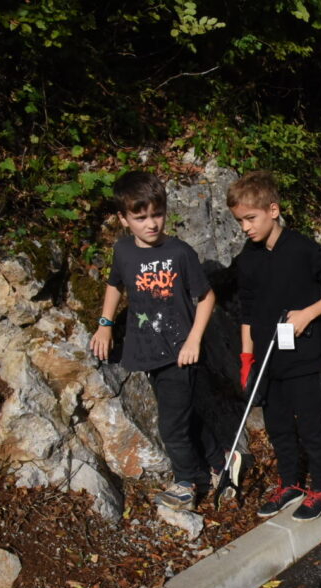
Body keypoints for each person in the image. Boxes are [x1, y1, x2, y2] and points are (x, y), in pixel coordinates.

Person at [90, 171, 223, 511]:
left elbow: (206, 298)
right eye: (141, 217)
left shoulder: (180, 252)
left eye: (157, 214)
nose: (151, 224)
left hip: (181, 353)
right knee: (183, 414)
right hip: (147, 350)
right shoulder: (122, 251)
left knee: (171, 425)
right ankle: (220, 462)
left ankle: (186, 483)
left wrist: (194, 340)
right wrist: (105, 325)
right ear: (123, 219)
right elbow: (114, 285)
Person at [229, 170, 321, 522]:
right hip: (266, 359)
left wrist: (307, 314)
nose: (245, 228)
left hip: (300, 355)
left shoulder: (301, 249)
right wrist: (246, 357)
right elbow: (248, 310)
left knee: (310, 423)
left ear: (273, 209)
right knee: (278, 424)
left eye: (250, 219)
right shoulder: (249, 256)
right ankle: (291, 484)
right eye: (240, 221)